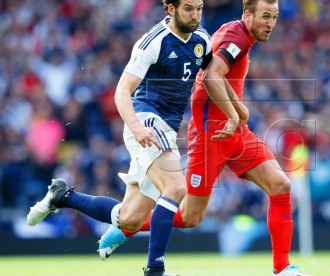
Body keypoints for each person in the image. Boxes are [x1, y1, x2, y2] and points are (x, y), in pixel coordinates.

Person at [100, 0, 308, 275]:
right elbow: (211, 77)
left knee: (281, 185)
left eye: (275, 17)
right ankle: (127, 226)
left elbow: (208, 73)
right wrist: (234, 114)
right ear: (247, 14)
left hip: (235, 133)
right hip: (211, 134)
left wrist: (237, 114)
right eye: (265, 16)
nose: (271, 23)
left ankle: (282, 268)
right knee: (190, 217)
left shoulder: (233, 35)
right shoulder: (237, 37)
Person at [26, 1, 211, 275]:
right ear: (170, 8)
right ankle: (155, 269)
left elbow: (212, 75)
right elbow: (122, 92)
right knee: (175, 187)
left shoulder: (202, 40)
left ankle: (63, 196)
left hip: (167, 129)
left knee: (130, 219)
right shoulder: (152, 42)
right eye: (188, 9)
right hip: (146, 120)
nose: (195, 15)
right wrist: (136, 127)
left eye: (199, 8)